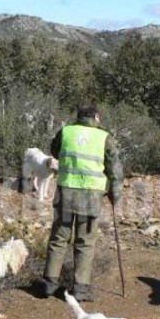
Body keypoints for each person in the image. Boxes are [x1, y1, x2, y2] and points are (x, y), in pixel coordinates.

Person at [40, 105, 123, 301]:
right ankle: (80, 289)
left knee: (59, 238)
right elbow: (115, 169)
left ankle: (49, 284)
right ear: (96, 117)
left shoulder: (66, 132)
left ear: (78, 118)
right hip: (91, 196)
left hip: (65, 193)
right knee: (85, 242)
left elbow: (54, 150)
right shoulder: (104, 137)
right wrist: (115, 193)